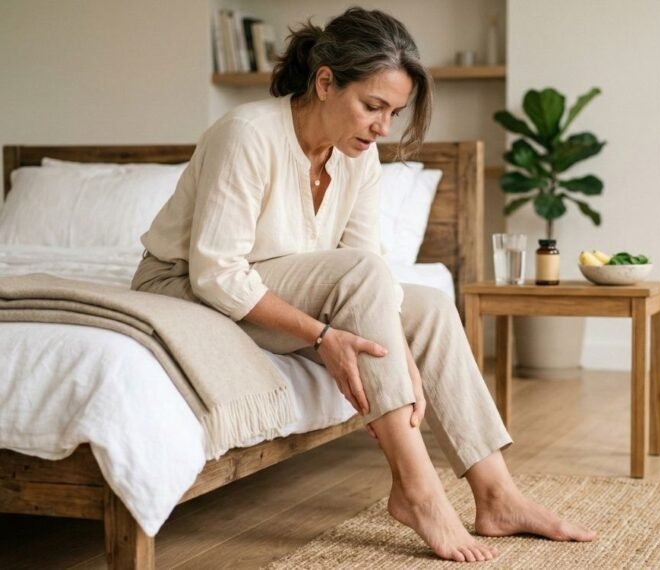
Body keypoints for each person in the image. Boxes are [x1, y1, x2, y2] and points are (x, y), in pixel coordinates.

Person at [132, 7, 595, 563]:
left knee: (426, 306)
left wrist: (399, 354)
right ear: (325, 81)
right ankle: (417, 488)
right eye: (372, 106)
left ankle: (496, 492)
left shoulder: (360, 157)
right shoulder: (247, 134)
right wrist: (325, 338)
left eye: (394, 112)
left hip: (277, 280)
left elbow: (366, 259)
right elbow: (218, 273)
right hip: (184, 284)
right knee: (368, 276)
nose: (382, 126)